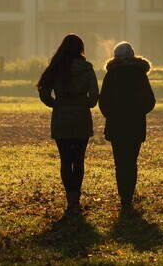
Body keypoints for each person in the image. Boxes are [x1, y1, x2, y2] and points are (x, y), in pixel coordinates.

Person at [36, 34, 99, 214]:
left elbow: (44, 92)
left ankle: (69, 198)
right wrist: (85, 104)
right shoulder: (87, 68)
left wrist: (55, 104)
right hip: (81, 118)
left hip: (61, 118)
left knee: (65, 159)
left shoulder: (56, 68)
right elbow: (94, 95)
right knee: (78, 159)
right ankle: (76, 197)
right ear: (81, 49)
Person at [99, 41, 156, 212]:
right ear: (132, 56)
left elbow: (103, 101)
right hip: (135, 123)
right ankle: (128, 197)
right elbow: (150, 101)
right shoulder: (140, 75)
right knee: (131, 161)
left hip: (116, 124)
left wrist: (111, 114)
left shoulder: (111, 75)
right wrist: (139, 112)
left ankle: (123, 196)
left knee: (120, 162)